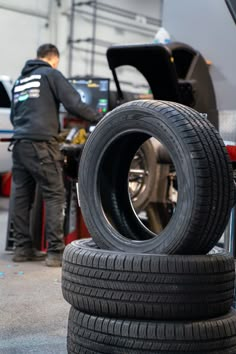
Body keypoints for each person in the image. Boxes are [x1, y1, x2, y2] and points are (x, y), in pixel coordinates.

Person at [10, 43, 98, 267]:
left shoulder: (20, 81)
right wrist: (101, 118)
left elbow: (14, 116)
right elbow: (74, 104)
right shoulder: (51, 74)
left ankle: (22, 249)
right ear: (54, 59)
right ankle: (55, 252)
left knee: (21, 196)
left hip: (19, 144)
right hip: (41, 145)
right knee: (54, 193)